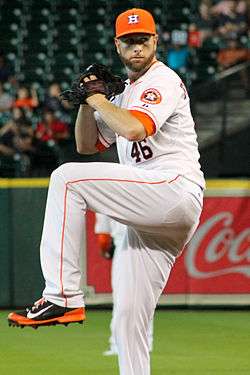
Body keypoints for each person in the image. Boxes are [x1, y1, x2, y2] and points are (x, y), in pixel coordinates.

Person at [8, 8, 205, 375]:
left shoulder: (162, 80)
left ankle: (62, 295)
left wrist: (99, 100)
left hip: (173, 189)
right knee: (130, 320)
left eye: (142, 40)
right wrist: (86, 102)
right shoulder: (124, 92)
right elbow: (86, 144)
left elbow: (133, 131)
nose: (136, 48)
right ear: (117, 45)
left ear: (155, 41)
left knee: (66, 178)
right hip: (150, 212)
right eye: (129, 42)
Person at [95, 213, 154, 356]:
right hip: (151, 247)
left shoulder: (105, 192)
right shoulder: (149, 190)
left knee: (122, 299)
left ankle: (118, 344)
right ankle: (146, 342)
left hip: (123, 246)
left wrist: (106, 251)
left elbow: (103, 238)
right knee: (146, 298)